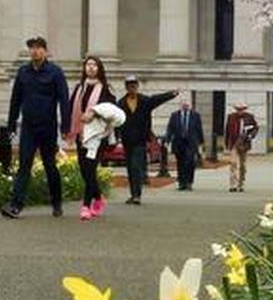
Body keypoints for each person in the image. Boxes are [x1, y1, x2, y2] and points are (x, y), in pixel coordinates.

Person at [2, 37, 70, 219]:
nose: (35, 51)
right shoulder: (23, 72)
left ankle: (56, 203)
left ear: (45, 51)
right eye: (32, 48)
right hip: (29, 127)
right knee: (24, 165)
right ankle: (16, 205)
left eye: (39, 48)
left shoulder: (55, 72)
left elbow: (64, 100)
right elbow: (15, 100)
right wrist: (11, 124)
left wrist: (65, 126)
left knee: (50, 166)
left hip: (47, 126)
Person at [67, 56, 117, 221]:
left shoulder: (106, 89)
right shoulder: (79, 88)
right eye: (88, 64)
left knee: (90, 168)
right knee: (84, 169)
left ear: (99, 68)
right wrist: (67, 129)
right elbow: (70, 108)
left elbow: (111, 109)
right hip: (81, 134)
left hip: (97, 136)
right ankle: (98, 196)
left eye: (94, 65)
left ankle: (86, 206)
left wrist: (94, 112)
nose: (91, 68)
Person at [116, 76, 178, 205]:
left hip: (140, 140)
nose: (132, 87)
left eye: (134, 85)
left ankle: (137, 195)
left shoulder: (145, 101)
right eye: (129, 85)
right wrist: (117, 137)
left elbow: (157, 99)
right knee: (130, 169)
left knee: (136, 166)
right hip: (127, 140)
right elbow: (116, 121)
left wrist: (171, 94)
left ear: (137, 86)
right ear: (126, 87)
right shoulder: (120, 103)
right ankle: (133, 194)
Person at [165, 100, 204, 191]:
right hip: (178, 143)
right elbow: (170, 128)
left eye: (187, 105)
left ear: (190, 106)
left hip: (191, 143)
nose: (186, 106)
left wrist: (201, 143)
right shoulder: (174, 115)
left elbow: (199, 129)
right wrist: (167, 140)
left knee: (190, 162)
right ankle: (181, 183)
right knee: (180, 163)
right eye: (184, 105)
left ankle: (189, 182)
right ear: (180, 106)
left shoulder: (195, 115)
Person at [225, 102, 258, 193]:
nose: (240, 111)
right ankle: (233, 185)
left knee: (243, 165)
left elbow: (255, 128)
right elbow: (227, 130)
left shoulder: (249, 117)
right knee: (233, 163)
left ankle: (241, 184)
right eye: (238, 109)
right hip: (234, 143)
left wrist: (251, 135)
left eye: (242, 109)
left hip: (244, 144)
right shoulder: (231, 117)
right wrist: (227, 144)